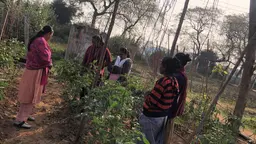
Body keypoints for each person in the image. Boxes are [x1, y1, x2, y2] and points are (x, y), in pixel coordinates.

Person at [14, 25, 53, 129]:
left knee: (30, 94)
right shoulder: (41, 41)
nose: (50, 37)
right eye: (51, 35)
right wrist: (50, 61)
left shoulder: (37, 40)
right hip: (34, 72)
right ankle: (20, 120)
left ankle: (25, 115)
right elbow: (45, 58)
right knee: (29, 95)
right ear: (49, 34)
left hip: (33, 71)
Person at [138, 57, 181, 144]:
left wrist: (147, 96)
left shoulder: (163, 81)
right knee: (153, 140)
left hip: (151, 117)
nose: (159, 67)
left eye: (161, 65)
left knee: (143, 141)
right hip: (161, 117)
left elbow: (152, 102)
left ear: (165, 67)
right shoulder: (174, 81)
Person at [164, 53, 191, 143]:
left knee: (162, 135)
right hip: (170, 110)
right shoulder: (180, 75)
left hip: (169, 110)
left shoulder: (178, 77)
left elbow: (170, 95)